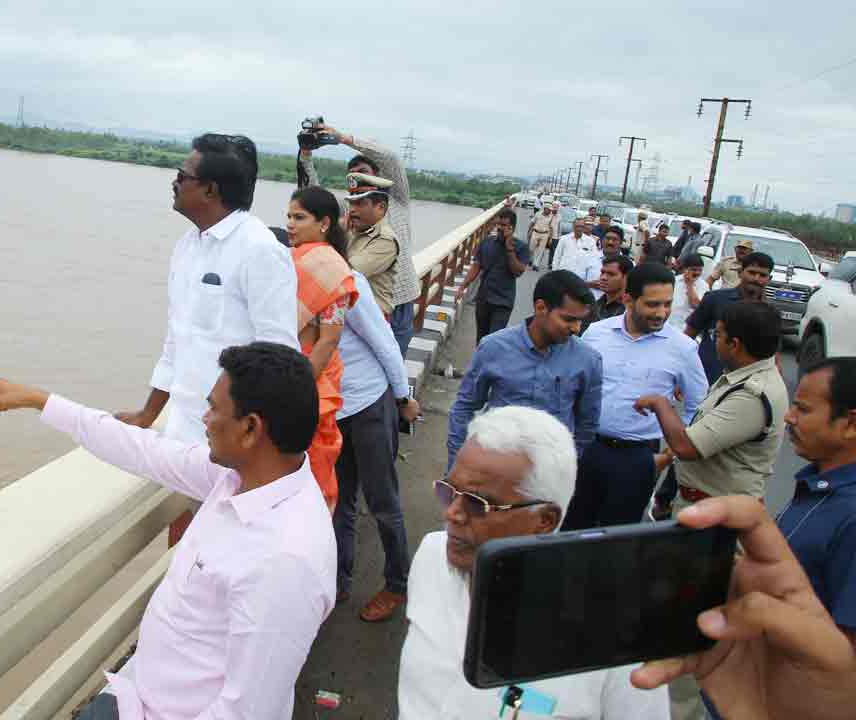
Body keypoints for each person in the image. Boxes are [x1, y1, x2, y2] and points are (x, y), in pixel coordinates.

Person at [0, 342, 336, 720]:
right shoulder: (238, 478)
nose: (204, 418)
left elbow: (246, 712)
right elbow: (143, 450)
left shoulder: (285, 561)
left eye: (214, 408)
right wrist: (38, 400)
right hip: (136, 694)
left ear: (251, 428)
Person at [400, 406, 669, 719]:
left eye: (477, 502)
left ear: (543, 520)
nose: (452, 514)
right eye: (449, 492)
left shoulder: (617, 637)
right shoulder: (432, 555)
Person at [116, 134, 298, 445]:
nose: (174, 183)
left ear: (210, 190)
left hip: (232, 438)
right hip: (182, 424)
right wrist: (148, 414)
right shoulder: (188, 246)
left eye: (182, 177)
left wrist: (252, 442)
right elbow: (176, 341)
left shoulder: (260, 250)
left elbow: (279, 357)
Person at [630, 495, 856, 720]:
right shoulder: (812, 487)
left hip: (766, 669)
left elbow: (847, 641)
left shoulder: (849, 512)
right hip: (739, 673)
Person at [562, 263, 709, 530]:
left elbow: (699, 405)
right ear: (628, 299)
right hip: (586, 450)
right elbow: (572, 387)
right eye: (653, 305)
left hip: (638, 459)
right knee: (570, 528)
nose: (662, 313)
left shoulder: (683, 349)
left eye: (667, 304)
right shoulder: (596, 333)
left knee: (617, 540)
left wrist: (669, 455)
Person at [635, 301, 787, 515]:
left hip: (720, 514)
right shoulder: (741, 375)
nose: (715, 342)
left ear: (734, 344)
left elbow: (686, 447)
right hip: (703, 504)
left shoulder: (751, 395)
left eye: (718, 335)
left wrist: (660, 403)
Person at [447, 270, 602, 469]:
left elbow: (587, 424)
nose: (576, 328)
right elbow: (465, 407)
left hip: (549, 474)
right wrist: (457, 464)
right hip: (494, 465)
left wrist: (566, 466)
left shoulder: (588, 360)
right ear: (541, 307)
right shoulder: (493, 347)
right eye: (568, 319)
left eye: (580, 320)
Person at [333, 268, 419, 622]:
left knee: (382, 501)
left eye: (300, 216)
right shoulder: (285, 288)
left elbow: (384, 341)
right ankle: (338, 582)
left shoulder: (346, 280)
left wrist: (403, 397)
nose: (293, 226)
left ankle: (397, 585)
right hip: (333, 409)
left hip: (369, 401)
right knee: (339, 500)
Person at [299, 123, 420, 356]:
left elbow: (391, 159)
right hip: (364, 306)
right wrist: (306, 154)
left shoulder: (397, 197)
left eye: (364, 172)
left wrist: (343, 138)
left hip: (399, 301)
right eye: (354, 178)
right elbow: (315, 200)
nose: (359, 180)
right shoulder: (351, 211)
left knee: (394, 366)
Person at [285, 186, 359, 507]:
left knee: (310, 456)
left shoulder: (333, 269)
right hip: (283, 364)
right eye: (288, 216)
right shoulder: (286, 259)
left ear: (324, 224)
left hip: (309, 373)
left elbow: (329, 338)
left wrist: (299, 387)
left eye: (299, 217)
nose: (290, 224)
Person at [778, 356, 856, 635]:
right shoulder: (818, 483)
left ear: (850, 424)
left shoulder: (850, 514)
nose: (789, 417)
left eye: (802, 408)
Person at [686, 251, 774, 385]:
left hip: (745, 386)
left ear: (769, 279)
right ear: (740, 273)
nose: (756, 278)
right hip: (705, 379)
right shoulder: (714, 299)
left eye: (762, 275)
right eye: (751, 272)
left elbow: (773, 356)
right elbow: (688, 336)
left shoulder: (769, 313)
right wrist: (681, 371)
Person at [460, 208, 530, 345]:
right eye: (498, 224)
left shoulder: (521, 248)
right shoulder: (487, 242)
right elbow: (476, 266)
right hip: (483, 299)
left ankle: (489, 366)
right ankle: (479, 365)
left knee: (493, 340)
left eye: (503, 225)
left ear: (512, 227)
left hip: (503, 302)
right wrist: (463, 286)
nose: (499, 228)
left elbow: (518, 272)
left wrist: (510, 250)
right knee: (481, 338)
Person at [344, 174, 400, 317]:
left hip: (371, 320)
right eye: (351, 203)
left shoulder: (385, 240)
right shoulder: (353, 229)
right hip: (351, 315)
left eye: (360, 204)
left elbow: (345, 274)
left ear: (381, 207)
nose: (352, 210)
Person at [586, 255, 635, 326]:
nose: (603, 278)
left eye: (611, 274)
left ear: (626, 277)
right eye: (602, 273)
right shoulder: (594, 306)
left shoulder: (631, 310)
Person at [667, 253, 707, 331]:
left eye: (700, 270)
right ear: (685, 269)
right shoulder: (674, 281)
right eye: (694, 270)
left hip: (686, 329)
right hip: (669, 325)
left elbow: (696, 305)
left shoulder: (703, 286)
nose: (697, 273)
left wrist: (689, 284)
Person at [528, 203, 558, 270]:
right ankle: (531, 259)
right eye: (549, 210)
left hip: (544, 234)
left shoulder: (551, 217)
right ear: (545, 209)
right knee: (531, 248)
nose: (550, 211)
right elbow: (532, 222)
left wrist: (550, 238)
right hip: (535, 232)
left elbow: (551, 228)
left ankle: (536, 264)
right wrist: (529, 231)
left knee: (541, 250)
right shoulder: (538, 214)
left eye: (551, 210)